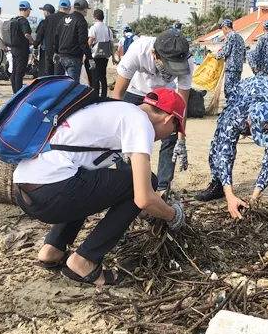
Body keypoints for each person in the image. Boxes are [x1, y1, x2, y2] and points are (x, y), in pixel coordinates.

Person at [13, 88, 187, 286]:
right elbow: (143, 196)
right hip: (53, 193)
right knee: (148, 182)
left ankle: (53, 249)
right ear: (168, 119)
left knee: (86, 176)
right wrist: (172, 215)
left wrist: (144, 210)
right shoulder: (140, 122)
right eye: (173, 131)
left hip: (25, 191)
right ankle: (85, 260)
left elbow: (106, 189)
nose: (167, 136)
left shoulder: (115, 109)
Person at [195, 76, 268, 214]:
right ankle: (219, 184)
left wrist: (254, 198)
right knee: (219, 142)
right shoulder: (235, 115)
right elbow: (225, 154)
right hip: (244, 91)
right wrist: (230, 196)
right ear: (249, 123)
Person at [113, 30, 194, 193]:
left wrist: (181, 140)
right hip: (136, 90)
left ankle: (162, 186)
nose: (171, 72)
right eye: (169, 66)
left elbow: (182, 105)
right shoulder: (138, 50)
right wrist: (117, 135)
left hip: (165, 95)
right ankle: (127, 183)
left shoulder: (188, 61)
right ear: (154, 54)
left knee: (171, 136)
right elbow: (117, 95)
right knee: (128, 135)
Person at [53, 0, 94, 82]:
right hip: (73, 58)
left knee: (58, 84)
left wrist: (56, 51)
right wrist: (89, 58)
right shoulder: (81, 21)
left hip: (61, 56)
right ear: (85, 9)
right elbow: (82, 41)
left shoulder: (64, 18)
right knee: (72, 86)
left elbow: (57, 36)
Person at [215, 19, 245, 101]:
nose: (222, 31)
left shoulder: (229, 36)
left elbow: (226, 51)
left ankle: (229, 109)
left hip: (231, 67)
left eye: (222, 29)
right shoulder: (240, 37)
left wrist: (217, 56)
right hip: (238, 67)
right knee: (236, 89)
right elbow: (244, 52)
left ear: (225, 28)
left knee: (229, 90)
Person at [88, 9, 115, 97]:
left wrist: (85, 54)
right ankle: (104, 95)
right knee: (103, 76)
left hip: (95, 55)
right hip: (105, 56)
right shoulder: (108, 29)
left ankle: (95, 95)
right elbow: (112, 44)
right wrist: (114, 57)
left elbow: (90, 41)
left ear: (95, 17)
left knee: (95, 76)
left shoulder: (94, 27)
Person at [9, 1, 34, 93]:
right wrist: (33, 42)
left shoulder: (14, 19)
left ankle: (15, 91)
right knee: (20, 72)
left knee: (14, 71)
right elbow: (27, 34)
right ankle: (18, 92)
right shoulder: (24, 21)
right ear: (27, 10)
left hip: (14, 48)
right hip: (22, 50)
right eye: (29, 10)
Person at [44, 0, 72, 75]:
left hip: (49, 49)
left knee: (49, 73)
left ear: (59, 7)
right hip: (63, 50)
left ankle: (49, 86)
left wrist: (36, 45)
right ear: (69, 8)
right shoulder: (70, 19)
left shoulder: (49, 18)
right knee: (59, 74)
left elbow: (41, 33)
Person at [33, 3, 55, 77]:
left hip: (45, 49)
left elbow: (39, 35)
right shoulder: (59, 22)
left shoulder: (44, 22)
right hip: (57, 50)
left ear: (47, 13)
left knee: (44, 70)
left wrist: (35, 46)